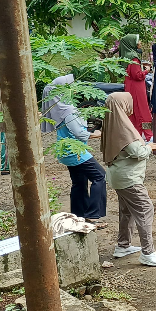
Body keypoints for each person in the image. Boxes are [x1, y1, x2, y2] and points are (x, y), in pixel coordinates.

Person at [101, 92, 156, 267]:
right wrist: (149, 147)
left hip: (117, 176)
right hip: (129, 178)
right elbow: (137, 152)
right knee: (145, 209)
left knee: (126, 211)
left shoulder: (111, 122)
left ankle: (123, 246)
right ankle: (148, 252)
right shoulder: (123, 127)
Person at [41, 75, 107, 222]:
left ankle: (79, 215)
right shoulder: (68, 110)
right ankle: (93, 215)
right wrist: (98, 134)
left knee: (79, 183)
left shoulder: (58, 109)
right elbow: (79, 133)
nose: (74, 90)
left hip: (65, 151)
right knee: (100, 176)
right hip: (75, 152)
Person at [122, 38, 152, 141]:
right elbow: (137, 75)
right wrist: (146, 71)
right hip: (137, 88)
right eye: (138, 41)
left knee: (134, 111)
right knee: (143, 112)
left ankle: (135, 133)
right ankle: (149, 134)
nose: (140, 43)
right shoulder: (134, 58)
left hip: (130, 86)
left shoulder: (127, 56)